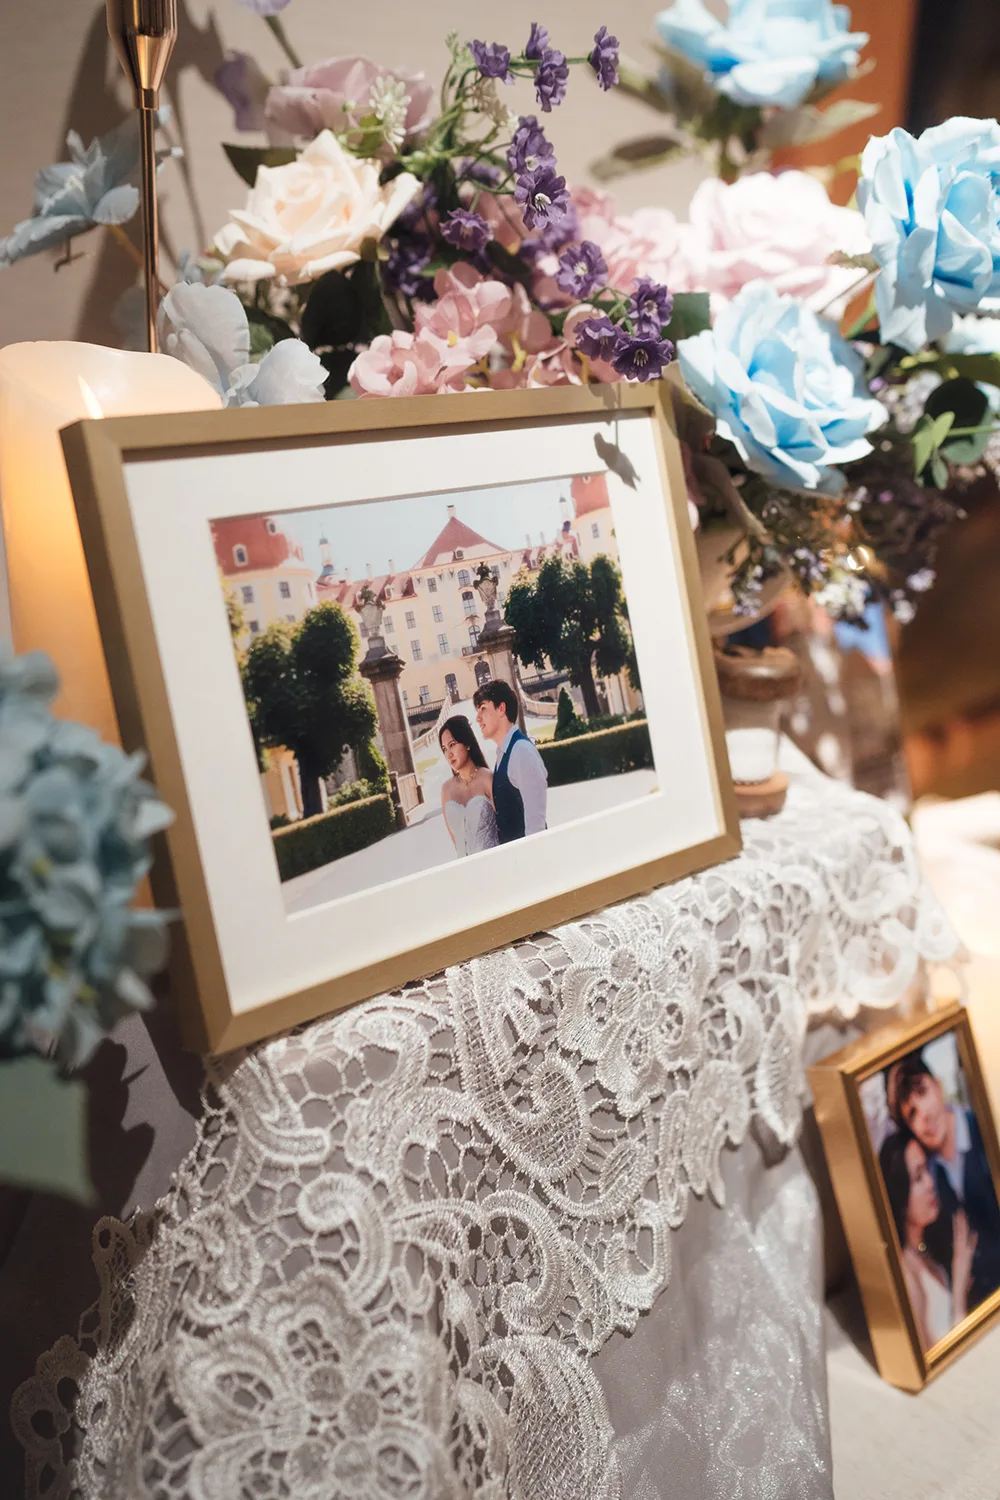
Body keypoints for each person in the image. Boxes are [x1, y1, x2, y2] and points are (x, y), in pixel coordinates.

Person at [888, 1049, 1000, 1310]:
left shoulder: (985, 1128)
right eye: (912, 1113)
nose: (924, 1115)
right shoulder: (927, 1179)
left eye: (923, 1092)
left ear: (938, 1086)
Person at [879, 1130, 978, 1351]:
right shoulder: (907, 1276)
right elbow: (938, 1360)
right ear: (900, 1195)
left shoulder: (925, 1248)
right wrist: (959, 1291)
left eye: (926, 1169)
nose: (930, 1183)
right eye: (918, 1177)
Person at [472, 680, 548, 844]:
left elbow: (536, 825)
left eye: (483, 709)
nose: (478, 718)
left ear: (501, 709)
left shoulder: (521, 751)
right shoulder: (503, 753)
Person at [439, 715, 498, 858]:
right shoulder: (446, 790)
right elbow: (455, 842)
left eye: (452, 744)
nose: (449, 754)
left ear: (467, 743)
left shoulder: (488, 778)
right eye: (444, 749)